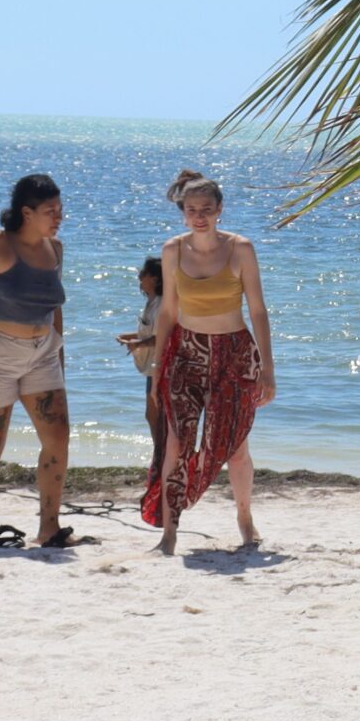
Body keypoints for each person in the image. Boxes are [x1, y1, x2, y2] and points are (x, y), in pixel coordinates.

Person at [0, 175, 85, 550]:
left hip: (42, 353)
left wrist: (59, 351)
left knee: (58, 438)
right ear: (27, 212)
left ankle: (49, 528)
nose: (59, 217)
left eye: (60, 209)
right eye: (50, 211)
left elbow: (55, 306)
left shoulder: (55, 249)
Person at [147, 171, 277, 555]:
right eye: (191, 210)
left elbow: (258, 310)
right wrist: (157, 366)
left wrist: (267, 368)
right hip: (185, 354)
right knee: (176, 443)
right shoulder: (172, 250)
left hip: (235, 357)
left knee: (235, 446)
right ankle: (169, 532)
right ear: (183, 213)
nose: (199, 216)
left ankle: (244, 517)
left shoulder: (241, 249)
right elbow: (168, 312)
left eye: (206, 209)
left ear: (219, 210)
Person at [115, 257, 166, 481]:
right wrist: (133, 337)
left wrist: (138, 343)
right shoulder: (153, 302)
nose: (139, 278)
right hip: (151, 368)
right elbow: (150, 333)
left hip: (160, 367)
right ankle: (161, 455)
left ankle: (161, 457)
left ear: (154, 278)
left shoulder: (163, 303)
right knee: (153, 415)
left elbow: (164, 337)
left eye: (143, 274)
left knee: (155, 414)